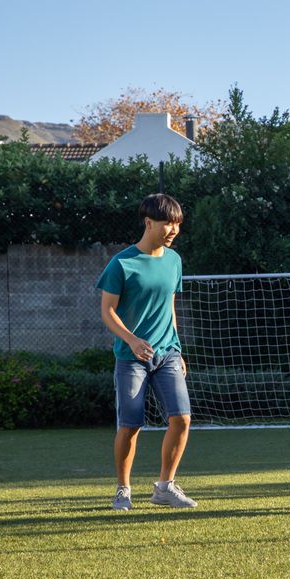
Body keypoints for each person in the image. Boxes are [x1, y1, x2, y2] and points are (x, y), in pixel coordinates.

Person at [97, 193, 197, 511]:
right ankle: (123, 490)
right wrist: (131, 340)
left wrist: (177, 349)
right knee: (131, 424)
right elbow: (107, 311)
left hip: (167, 353)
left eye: (177, 225)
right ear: (149, 222)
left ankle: (165, 487)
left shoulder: (174, 261)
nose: (173, 230)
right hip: (132, 358)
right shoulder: (121, 263)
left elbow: (169, 306)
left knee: (181, 419)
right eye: (168, 224)